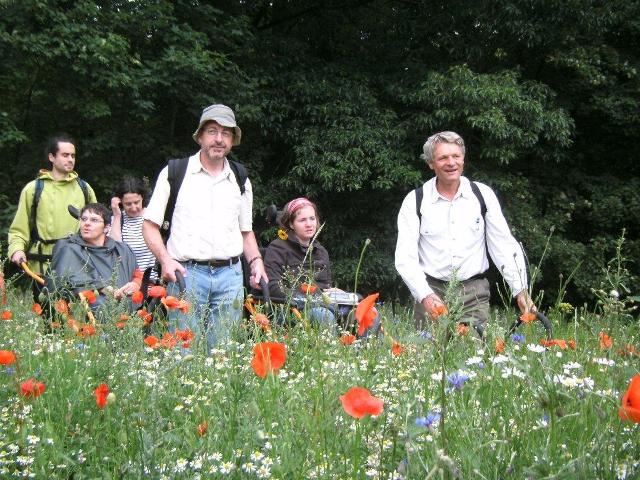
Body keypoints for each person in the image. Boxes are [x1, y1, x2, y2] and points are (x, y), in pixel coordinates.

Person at [143, 104, 266, 350]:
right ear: (200, 136)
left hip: (231, 276)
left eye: (226, 133)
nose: (219, 139)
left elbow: (246, 232)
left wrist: (256, 262)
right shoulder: (175, 172)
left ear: (233, 140)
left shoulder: (240, 178)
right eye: (212, 131)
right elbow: (149, 225)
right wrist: (166, 260)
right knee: (182, 354)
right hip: (186, 275)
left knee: (224, 355)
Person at [395, 131, 535, 337]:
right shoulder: (415, 200)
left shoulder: (482, 195)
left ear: (463, 159)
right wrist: (425, 295)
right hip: (431, 290)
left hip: (473, 293)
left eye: (456, 156)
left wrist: (521, 291)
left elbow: (503, 246)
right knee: (424, 359)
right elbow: (405, 257)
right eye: (443, 158)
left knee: (471, 356)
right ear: (431, 163)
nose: (451, 163)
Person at [8, 135, 97, 315]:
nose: (70, 159)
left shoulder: (84, 188)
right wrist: (17, 249)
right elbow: (19, 228)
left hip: (77, 266)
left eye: (73, 155)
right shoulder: (33, 189)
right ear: (51, 157)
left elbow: (99, 227)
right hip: (42, 268)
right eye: (65, 155)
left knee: (81, 322)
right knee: (50, 322)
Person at [49, 203, 142, 312]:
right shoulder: (69, 249)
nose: (87, 223)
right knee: (100, 304)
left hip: (127, 310)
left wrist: (135, 284)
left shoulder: (122, 249)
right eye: (84, 219)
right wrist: (102, 288)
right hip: (87, 314)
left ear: (106, 227)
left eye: (94, 220)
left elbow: (138, 275)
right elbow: (60, 285)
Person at [263, 197, 337, 331]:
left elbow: (325, 287)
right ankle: (331, 351)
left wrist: (336, 294)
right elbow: (273, 287)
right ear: (291, 224)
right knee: (323, 315)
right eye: (302, 220)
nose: (309, 224)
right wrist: (308, 299)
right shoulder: (277, 249)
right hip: (288, 309)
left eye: (312, 219)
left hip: (323, 306)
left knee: (367, 311)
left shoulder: (321, 252)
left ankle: (361, 351)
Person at [109, 177, 157, 279]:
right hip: (126, 283)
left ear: (143, 198)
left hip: (153, 284)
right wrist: (117, 215)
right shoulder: (116, 220)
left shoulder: (154, 217)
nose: (133, 208)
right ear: (120, 202)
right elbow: (114, 248)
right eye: (128, 204)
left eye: (136, 202)